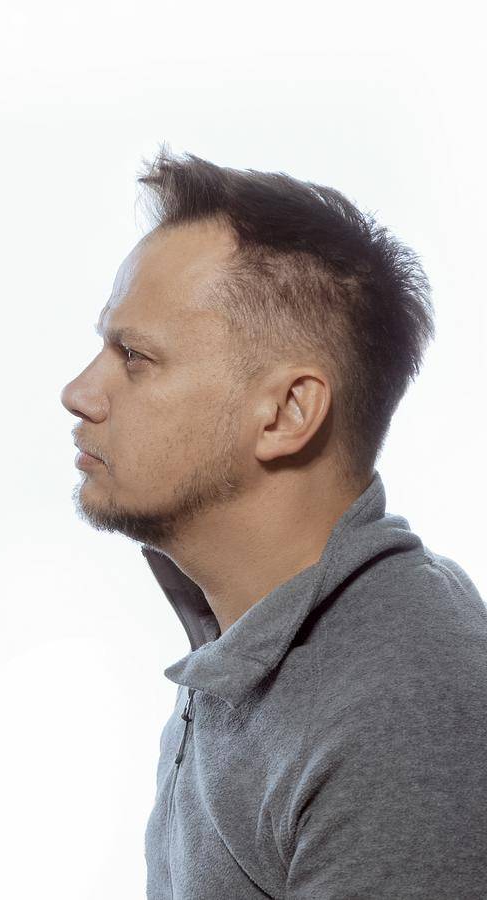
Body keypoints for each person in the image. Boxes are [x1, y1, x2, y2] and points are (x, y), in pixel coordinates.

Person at [60, 149, 487, 898]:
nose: (78, 393)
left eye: (135, 357)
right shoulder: (249, 632)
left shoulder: (400, 710)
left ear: (287, 413)